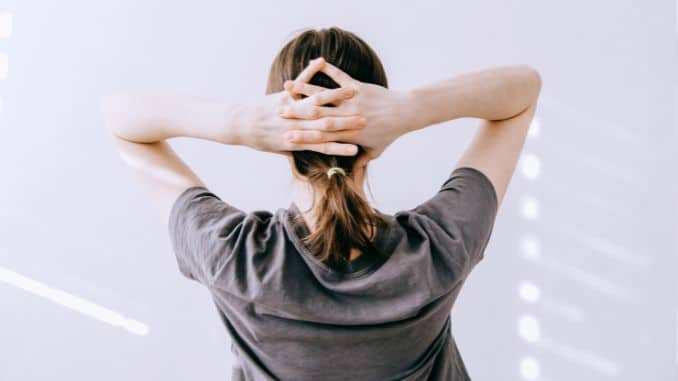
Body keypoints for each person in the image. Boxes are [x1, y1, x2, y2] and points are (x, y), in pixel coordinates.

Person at [101, 26, 541, 381]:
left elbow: (121, 121)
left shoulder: (233, 255)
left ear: (277, 126)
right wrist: (410, 109)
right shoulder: (439, 245)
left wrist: (240, 122)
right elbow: (522, 89)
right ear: (377, 118)